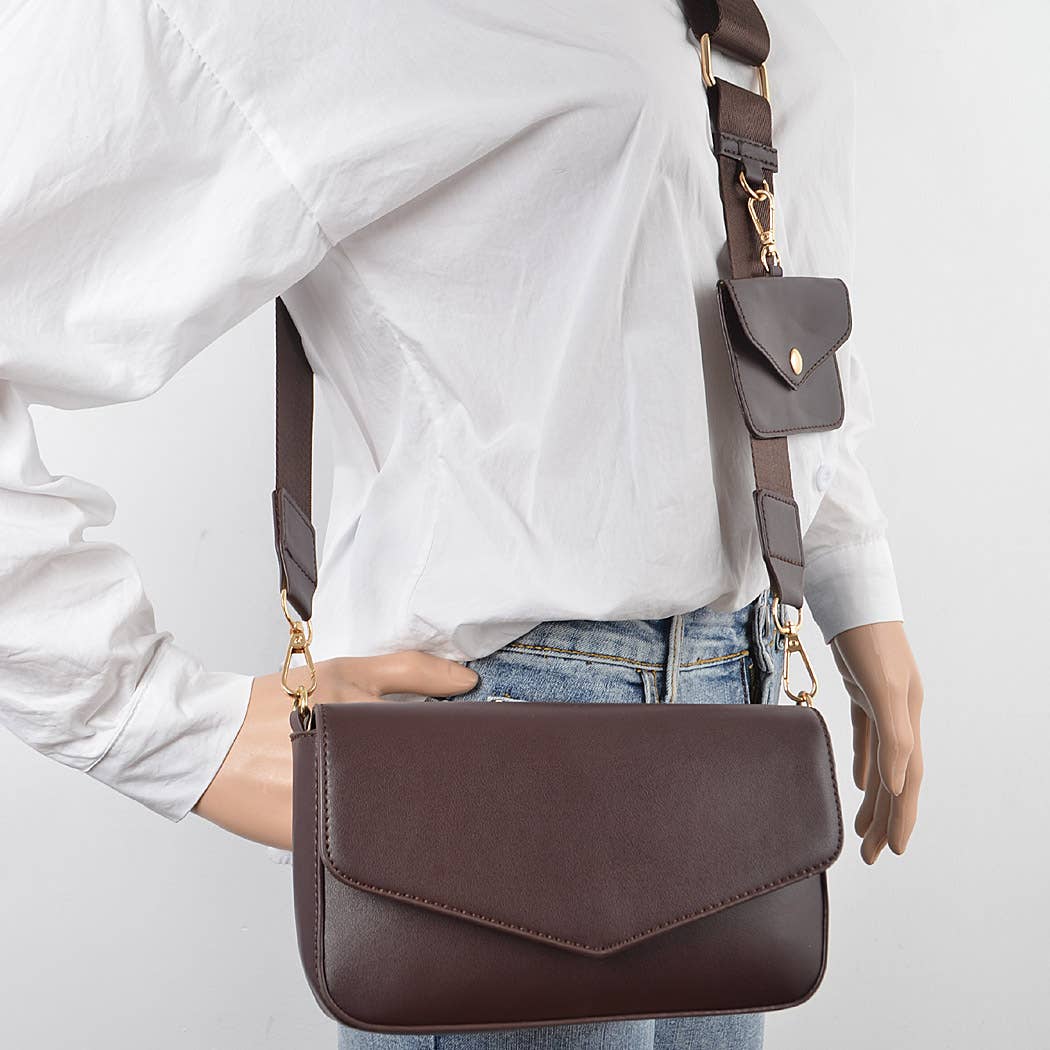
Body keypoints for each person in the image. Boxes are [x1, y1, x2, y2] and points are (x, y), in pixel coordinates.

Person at [0, 2, 924, 1048]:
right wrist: (163, 725)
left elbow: (767, 311)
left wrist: (851, 578)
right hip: (493, 751)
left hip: (743, 722)